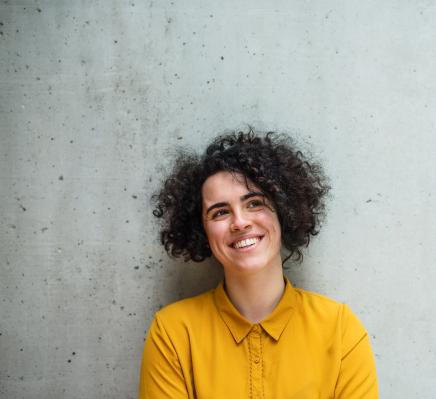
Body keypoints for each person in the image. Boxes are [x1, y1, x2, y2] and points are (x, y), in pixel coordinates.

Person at [139, 128, 379, 398]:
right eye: (220, 212)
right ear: (202, 234)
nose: (240, 222)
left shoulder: (340, 328)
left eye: (254, 203)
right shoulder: (172, 332)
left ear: (284, 213)